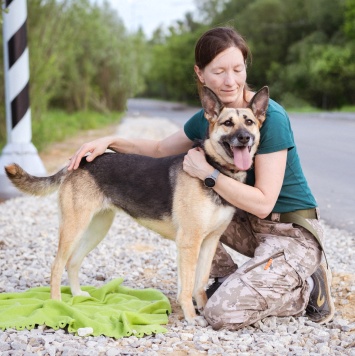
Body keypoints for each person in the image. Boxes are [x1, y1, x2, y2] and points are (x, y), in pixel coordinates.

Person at [68, 26, 335, 330]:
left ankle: (305, 285)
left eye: (237, 69)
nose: (230, 80)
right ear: (201, 73)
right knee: (193, 213)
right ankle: (227, 278)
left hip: (288, 230)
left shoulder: (268, 118)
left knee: (222, 314)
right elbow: (157, 149)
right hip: (246, 223)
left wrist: (207, 174)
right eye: (219, 71)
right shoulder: (211, 118)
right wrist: (109, 141)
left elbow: (263, 204)